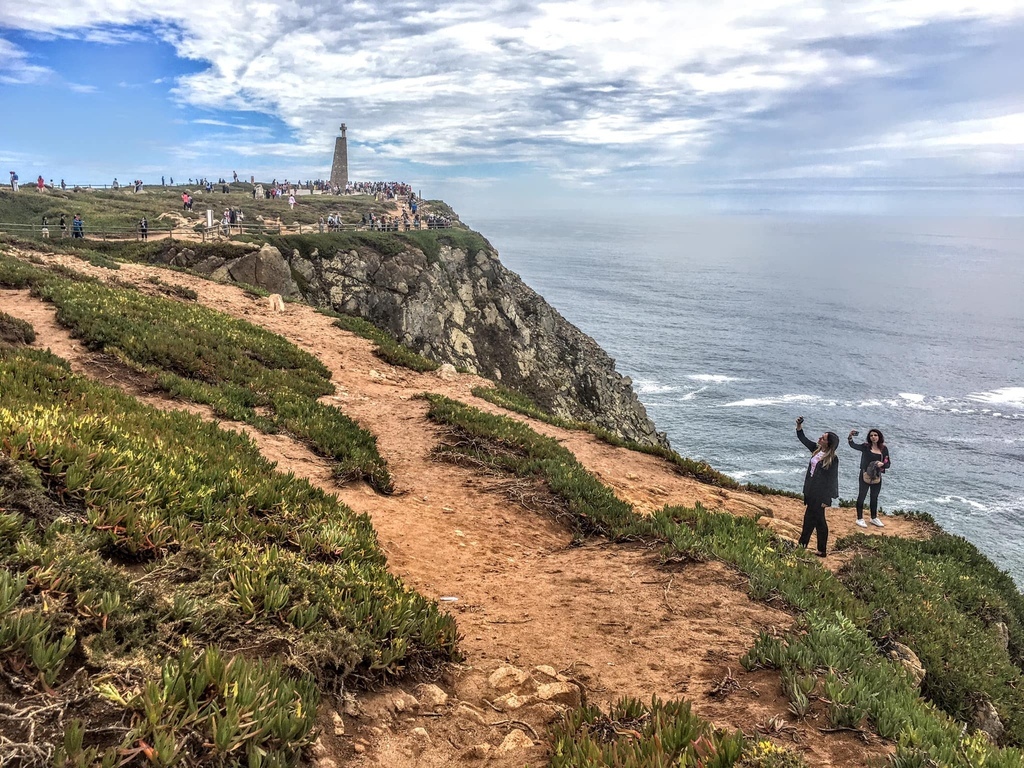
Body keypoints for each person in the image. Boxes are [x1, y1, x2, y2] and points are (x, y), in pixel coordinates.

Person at [796, 417, 840, 557]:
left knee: (814, 521)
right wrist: (799, 425)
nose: (820, 438)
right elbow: (803, 438)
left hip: (820, 495)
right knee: (815, 520)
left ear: (829, 443)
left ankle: (807, 547)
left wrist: (828, 499)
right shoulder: (816, 450)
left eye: (824, 438)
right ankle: (813, 548)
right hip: (810, 491)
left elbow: (832, 479)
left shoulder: (832, 458)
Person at [848, 428, 891, 527]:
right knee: (862, 496)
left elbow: (888, 463)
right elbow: (853, 445)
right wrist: (850, 437)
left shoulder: (884, 449)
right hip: (865, 475)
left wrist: (882, 465)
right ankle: (859, 518)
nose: (873, 437)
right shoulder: (865, 447)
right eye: (871, 435)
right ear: (869, 437)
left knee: (874, 497)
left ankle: (874, 517)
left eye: (875, 435)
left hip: (877, 476)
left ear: (879, 436)